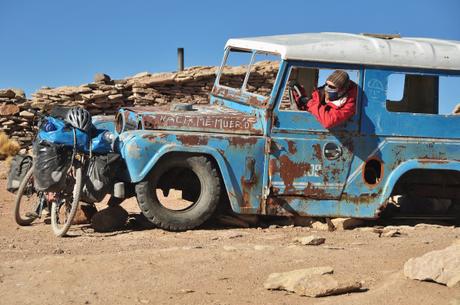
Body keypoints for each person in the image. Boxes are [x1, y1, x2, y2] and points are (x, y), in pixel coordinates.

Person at [291, 70, 357, 128]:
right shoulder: (320, 93)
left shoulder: (349, 104)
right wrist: (298, 95)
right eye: (326, 84)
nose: (327, 88)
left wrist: (309, 102)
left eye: (331, 87)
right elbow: (310, 107)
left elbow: (329, 121)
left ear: (342, 90)